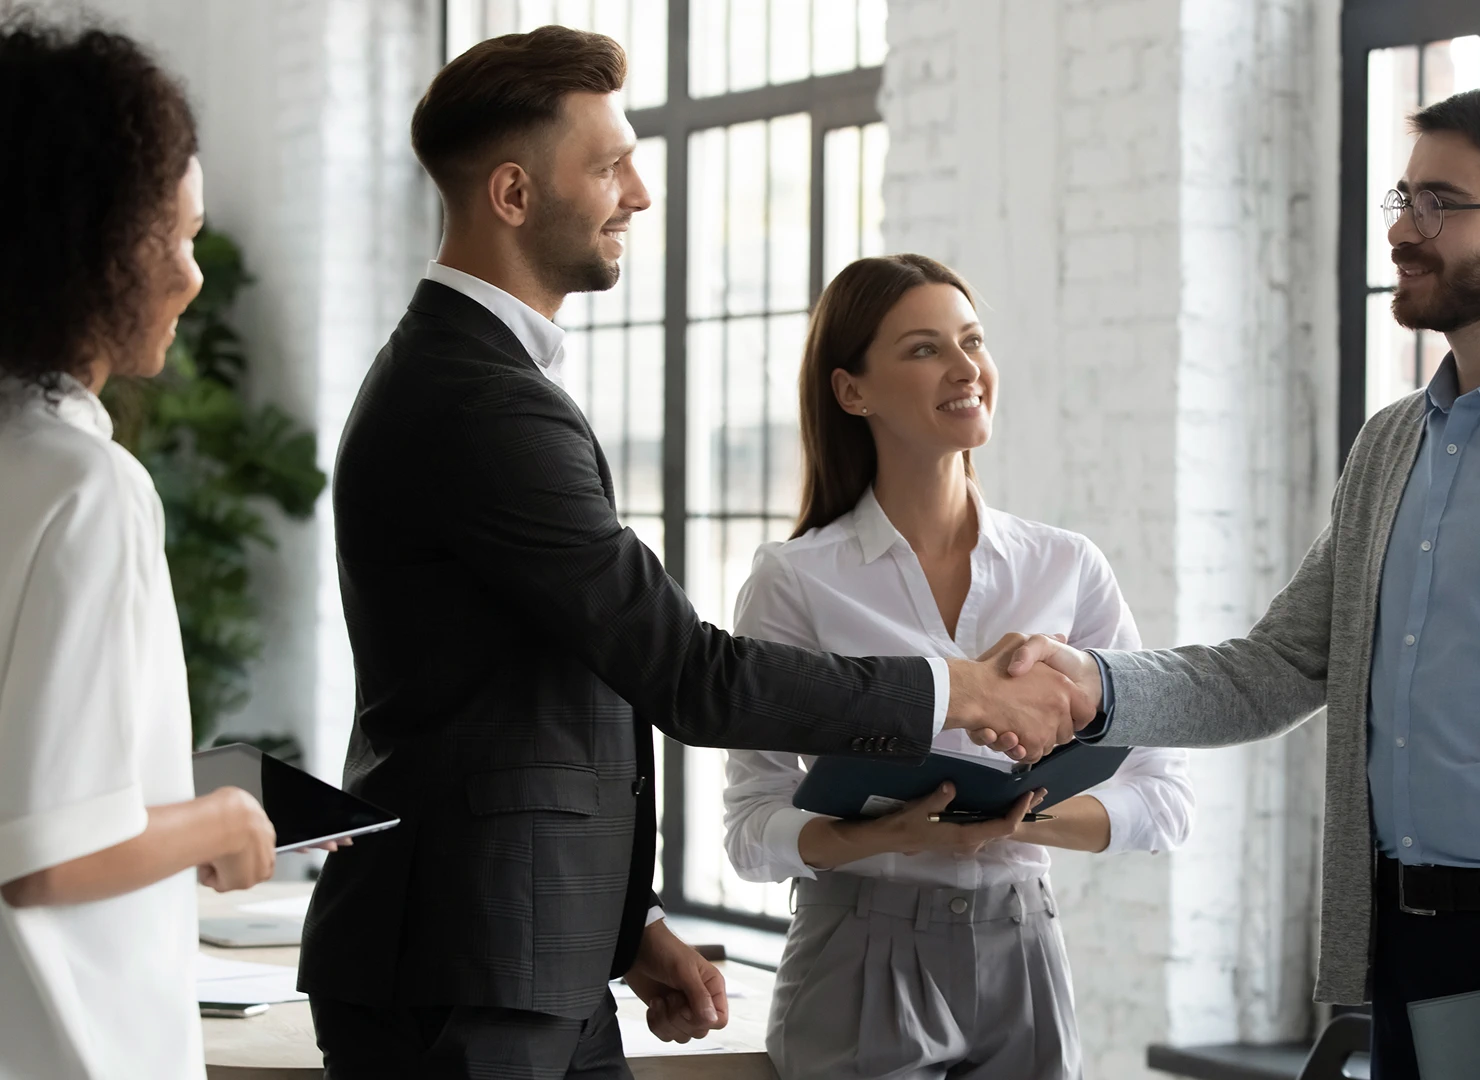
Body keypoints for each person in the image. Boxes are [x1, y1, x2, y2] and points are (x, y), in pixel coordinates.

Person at [298, 28, 1080, 1079]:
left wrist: (624, 924)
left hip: (523, 952)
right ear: (515, 195)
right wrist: (962, 693)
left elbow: (559, 690)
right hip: (466, 965)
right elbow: (687, 676)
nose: (640, 191)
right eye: (609, 162)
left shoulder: (483, 381)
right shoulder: (477, 402)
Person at [1007, 83, 1480, 1080]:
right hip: (1399, 953)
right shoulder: (1392, 444)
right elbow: (1278, 667)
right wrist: (1095, 685)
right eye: (1402, 197)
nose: (1401, 229)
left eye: (1439, 203)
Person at [721, 254, 1195, 1079]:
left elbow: (1166, 796)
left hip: (1025, 948)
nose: (966, 368)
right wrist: (872, 835)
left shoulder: (1065, 567)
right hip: (857, 951)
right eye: (923, 349)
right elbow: (749, 830)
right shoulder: (794, 581)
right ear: (851, 392)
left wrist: (1015, 819)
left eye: (972, 341)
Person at [0, 14, 284, 1079]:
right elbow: (41, 852)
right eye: (177, 237)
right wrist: (217, 819)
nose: (194, 275)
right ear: (96, 244)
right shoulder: (89, 489)